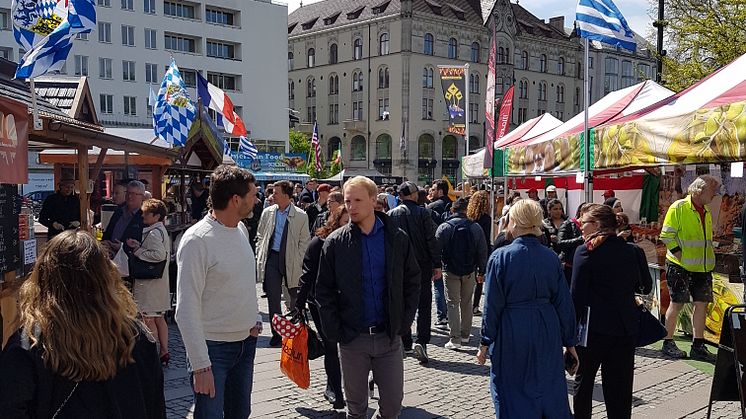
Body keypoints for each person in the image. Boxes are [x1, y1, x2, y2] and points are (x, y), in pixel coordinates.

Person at [0, 230, 165, 418]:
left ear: (44, 278)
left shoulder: (30, 342)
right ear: (106, 277)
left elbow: (10, 407)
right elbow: (155, 408)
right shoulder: (136, 337)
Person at [316, 176, 420, 419]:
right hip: (353, 339)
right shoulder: (336, 243)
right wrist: (335, 330)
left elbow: (413, 281)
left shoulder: (396, 237)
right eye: (348, 200)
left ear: (374, 201)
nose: (351, 206)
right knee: (356, 409)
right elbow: (323, 290)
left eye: (357, 200)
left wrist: (403, 323)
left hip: (388, 337)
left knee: (393, 406)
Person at [477, 199, 578, 418]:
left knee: (511, 388)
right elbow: (563, 302)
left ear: (513, 222)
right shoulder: (550, 257)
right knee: (548, 387)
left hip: (512, 328)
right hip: (546, 327)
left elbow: (492, 304)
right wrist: (570, 342)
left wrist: (485, 341)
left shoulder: (501, 257)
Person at [176, 166, 262, 419]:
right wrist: (201, 366)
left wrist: (253, 318)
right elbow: (186, 308)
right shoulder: (197, 241)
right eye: (253, 195)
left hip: (245, 343)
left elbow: (241, 281)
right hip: (213, 350)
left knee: (240, 414)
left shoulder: (240, 230)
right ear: (236, 200)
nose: (256, 200)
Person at [571, 204, 653, 419]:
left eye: (583, 222)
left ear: (597, 225)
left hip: (593, 331)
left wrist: (569, 336)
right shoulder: (632, 251)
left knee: (584, 383)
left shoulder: (586, 252)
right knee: (620, 390)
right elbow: (645, 286)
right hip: (624, 328)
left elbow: (576, 297)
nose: (580, 225)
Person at [658, 175, 720, 362]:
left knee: (701, 304)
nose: (715, 195)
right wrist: (679, 255)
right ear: (700, 190)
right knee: (677, 304)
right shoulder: (679, 207)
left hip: (702, 266)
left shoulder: (706, 211)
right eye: (712, 191)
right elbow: (666, 235)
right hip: (680, 266)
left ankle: (698, 345)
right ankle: (667, 341)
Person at [295, 206, 350, 410]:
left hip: (348, 302)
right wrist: (298, 304)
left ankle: (343, 386)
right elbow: (307, 274)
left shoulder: (356, 242)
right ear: (335, 222)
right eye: (345, 222)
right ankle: (335, 390)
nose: (348, 226)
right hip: (321, 303)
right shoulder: (318, 243)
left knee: (350, 346)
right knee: (330, 346)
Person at [387, 181, 441, 364]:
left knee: (401, 302)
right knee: (424, 304)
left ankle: (406, 339)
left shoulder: (391, 215)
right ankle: (422, 341)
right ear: (412, 194)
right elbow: (431, 239)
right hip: (421, 265)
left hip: (399, 266)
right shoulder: (422, 213)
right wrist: (437, 263)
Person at [255, 180, 310, 347]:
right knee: (273, 298)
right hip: (272, 258)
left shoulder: (300, 215)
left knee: (294, 297)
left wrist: (298, 259)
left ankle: (296, 332)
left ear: (286, 195)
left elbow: (304, 241)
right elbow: (260, 234)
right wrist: (260, 251)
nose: (272, 196)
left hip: (291, 259)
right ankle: (276, 334)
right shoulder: (268, 213)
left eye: (276, 192)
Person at [436, 197, 488, 350]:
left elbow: (436, 249)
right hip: (469, 270)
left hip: (450, 270)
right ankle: (465, 335)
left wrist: (436, 266)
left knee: (452, 303)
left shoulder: (444, 227)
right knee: (467, 303)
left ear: (452, 210)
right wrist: (481, 270)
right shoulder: (475, 227)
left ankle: (455, 338)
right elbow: (482, 251)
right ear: (467, 210)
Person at [126, 198, 172, 366]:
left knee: (149, 318)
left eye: (146, 213)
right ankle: (164, 352)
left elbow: (158, 255)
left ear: (156, 215)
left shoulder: (153, 233)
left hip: (150, 283)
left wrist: (138, 250)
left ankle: (151, 353)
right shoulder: (160, 230)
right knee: (160, 318)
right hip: (159, 282)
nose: (143, 216)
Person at [427, 179, 452, 326]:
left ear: (440, 191)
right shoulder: (452, 205)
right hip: (452, 249)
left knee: (438, 283)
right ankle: (451, 314)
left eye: (434, 189)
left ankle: (442, 315)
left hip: (436, 249)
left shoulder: (432, 207)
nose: (431, 191)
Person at [102, 180, 146, 261]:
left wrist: (122, 247)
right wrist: (106, 242)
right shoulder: (119, 211)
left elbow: (144, 244)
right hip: (111, 257)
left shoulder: (145, 216)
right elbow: (108, 230)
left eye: (134, 194)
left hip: (130, 262)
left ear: (142, 197)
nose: (130, 196)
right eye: (128, 193)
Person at [467, 190, 492, 316]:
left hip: (468, 250)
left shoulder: (468, 216)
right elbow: (486, 238)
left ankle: (466, 304)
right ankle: (475, 306)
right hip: (481, 249)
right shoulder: (486, 219)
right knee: (480, 279)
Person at [556, 203, 590, 284]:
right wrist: (580, 239)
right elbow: (560, 243)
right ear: (582, 213)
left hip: (586, 265)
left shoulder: (592, 226)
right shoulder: (568, 224)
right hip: (569, 266)